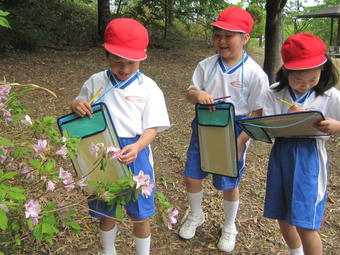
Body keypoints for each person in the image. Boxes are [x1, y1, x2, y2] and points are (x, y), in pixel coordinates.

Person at [70, 18, 170, 255]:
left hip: (135, 152)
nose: (124, 68)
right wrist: (76, 104)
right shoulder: (96, 81)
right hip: (102, 151)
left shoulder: (149, 88)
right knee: (106, 207)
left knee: (141, 214)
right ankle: (108, 250)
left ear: (142, 58)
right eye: (117, 61)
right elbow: (79, 102)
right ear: (107, 54)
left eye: (131, 63)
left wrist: (137, 146)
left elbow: (152, 128)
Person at [178, 6, 269, 252]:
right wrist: (198, 94)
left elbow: (257, 113)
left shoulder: (255, 73)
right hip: (205, 125)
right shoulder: (206, 65)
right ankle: (196, 214)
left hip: (235, 129)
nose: (221, 41)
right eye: (217, 35)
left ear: (245, 38)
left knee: (229, 182)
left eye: (229, 36)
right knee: (192, 175)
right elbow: (189, 93)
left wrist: (240, 141)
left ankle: (230, 225)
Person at [262, 33, 340, 255]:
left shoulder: (331, 96)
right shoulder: (275, 92)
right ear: (287, 71)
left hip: (310, 160)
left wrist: (336, 125)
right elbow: (267, 125)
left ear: (322, 71)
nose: (304, 86)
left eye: (312, 80)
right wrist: (288, 118)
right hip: (282, 156)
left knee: (306, 223)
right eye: (298, 80)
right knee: (283, 215)